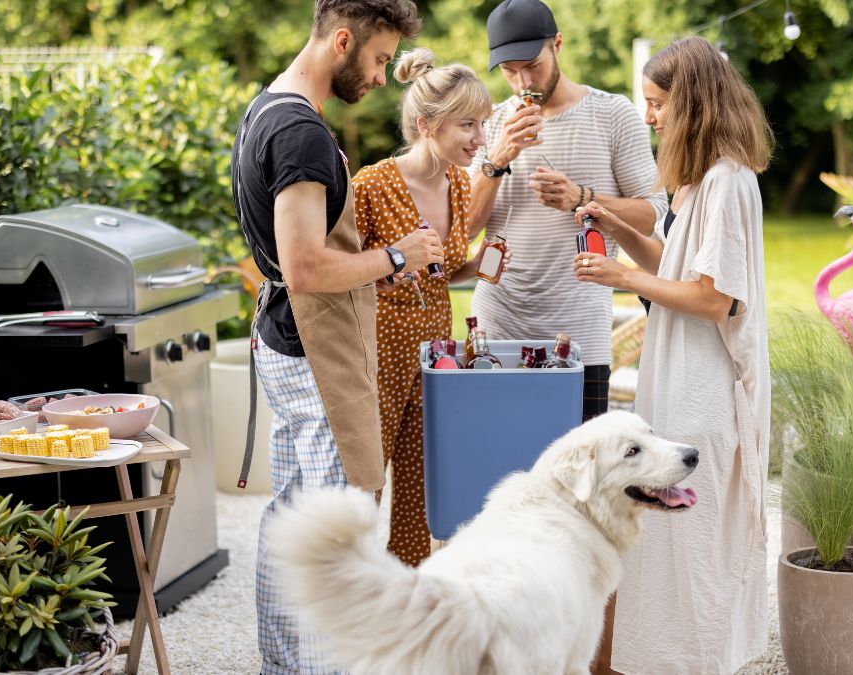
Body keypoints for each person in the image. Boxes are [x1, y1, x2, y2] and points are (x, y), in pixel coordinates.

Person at [228, 2, 443, 673]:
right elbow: (306, 267)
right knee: (330, 533)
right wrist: (398, 255)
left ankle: (285, 665)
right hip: (315, 352)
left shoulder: (267, 105)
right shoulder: (300, 133)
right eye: (379, 59)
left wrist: (373, 275)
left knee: (291, 518)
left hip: (285, 337)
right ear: (342, 39)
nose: (382, 77)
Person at [574, 36, 773, 674]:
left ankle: (703, 663)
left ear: (691, 103)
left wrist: (621, 280)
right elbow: (677, 268)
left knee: (698, 546)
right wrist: (618, 228)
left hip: (707, 390)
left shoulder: (729, 182)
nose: (651, 117)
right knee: (673, 546)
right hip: (679, 383)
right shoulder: (698, 185)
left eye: (658, 104)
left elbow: (715, 298)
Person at [469, 0, 667, 422]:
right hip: (498, 327)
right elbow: (465, 228)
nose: (522, 81)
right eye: (508, 71)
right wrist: (497, 160)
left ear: (557, 44)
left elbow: (653, 214)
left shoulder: (613, 115)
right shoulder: (489, 126)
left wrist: (581, 196)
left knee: (581, 475)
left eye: (532, 65)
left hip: (579, 334)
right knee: (501, 465)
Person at [353, 48, 501, 566]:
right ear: (425, 125)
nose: (480, 139)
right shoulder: (371, 186)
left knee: (421, 483)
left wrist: (478, 262)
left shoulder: (461, 185)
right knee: (363, 483)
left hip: (434, 354)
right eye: (468, 125)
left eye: (482, 125)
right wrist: (392, 262)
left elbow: (441, 272)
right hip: (376, 355)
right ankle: (348, 596)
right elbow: (342, 274)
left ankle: (407, 594)